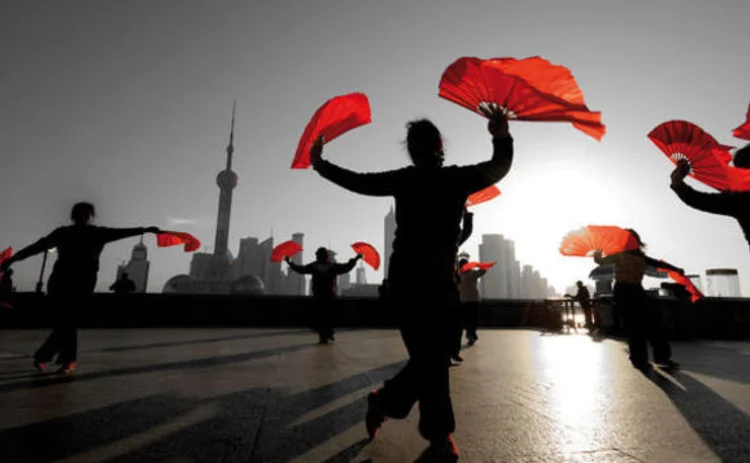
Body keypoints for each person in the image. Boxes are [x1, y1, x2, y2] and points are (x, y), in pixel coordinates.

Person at [308, 107, 513, 461]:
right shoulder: (456, 179)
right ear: (439, 145)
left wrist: (320, 163)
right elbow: (499, 167)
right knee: (432, 360)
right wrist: (500, 135)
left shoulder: (409, 179)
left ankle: (387, 402)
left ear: (414, 149)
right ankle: (437, 436)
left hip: (413, 283)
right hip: (427, 285)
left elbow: (358, 181)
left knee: (430, 359)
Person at [0, 202, 160, 374]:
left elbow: (37, 247)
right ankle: (61, 360)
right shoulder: (94, 233)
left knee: (65, 322)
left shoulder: (66, 233)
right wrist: (144, 230)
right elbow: (121, 233)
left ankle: (51, 358)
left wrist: (15, 258)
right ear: (90, 217)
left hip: (65, 282)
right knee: (68, 322)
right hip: (77, 283)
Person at [593, 229, 683, 372]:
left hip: (637, 290)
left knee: (655, 324)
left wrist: (675, 269)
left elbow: (659, 264)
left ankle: (662, 358)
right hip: (623, 291)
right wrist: (597, 257)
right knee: (634, 327)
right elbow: (602, 261)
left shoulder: (641, 257)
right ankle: (639, 359)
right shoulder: (618, 255)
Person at [670, 145, 750, 251]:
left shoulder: (740, 199)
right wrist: (678, 185)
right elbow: (702, 201)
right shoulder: (740, 199)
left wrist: (678, 184)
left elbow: (700, 201)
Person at [285, 247, 362, 344]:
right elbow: (346, 267)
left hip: (320, 296)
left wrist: (290, 263)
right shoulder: (332, 266)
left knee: (320, 317)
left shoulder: (314, 266)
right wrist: (356, 258)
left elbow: (301, 269)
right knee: (328, 316)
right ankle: (327, 334)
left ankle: (324, 335)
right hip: (328, 296)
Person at [450, 208, 475, 365]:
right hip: (437, 284)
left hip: (451, 286)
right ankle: (447, 353)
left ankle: (453, 351)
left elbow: (466, 231)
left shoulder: (453, 242)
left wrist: (467, 215)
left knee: (456, 323)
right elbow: (465, 231)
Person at [457, 256, 488, 346]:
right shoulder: (459, 275)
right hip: (464, 300)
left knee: (473, 319)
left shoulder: (472, 273)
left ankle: (471, 335)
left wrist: (477, 264)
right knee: (466, 319)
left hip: (473, 300)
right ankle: (471, 334)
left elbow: (484, 270)